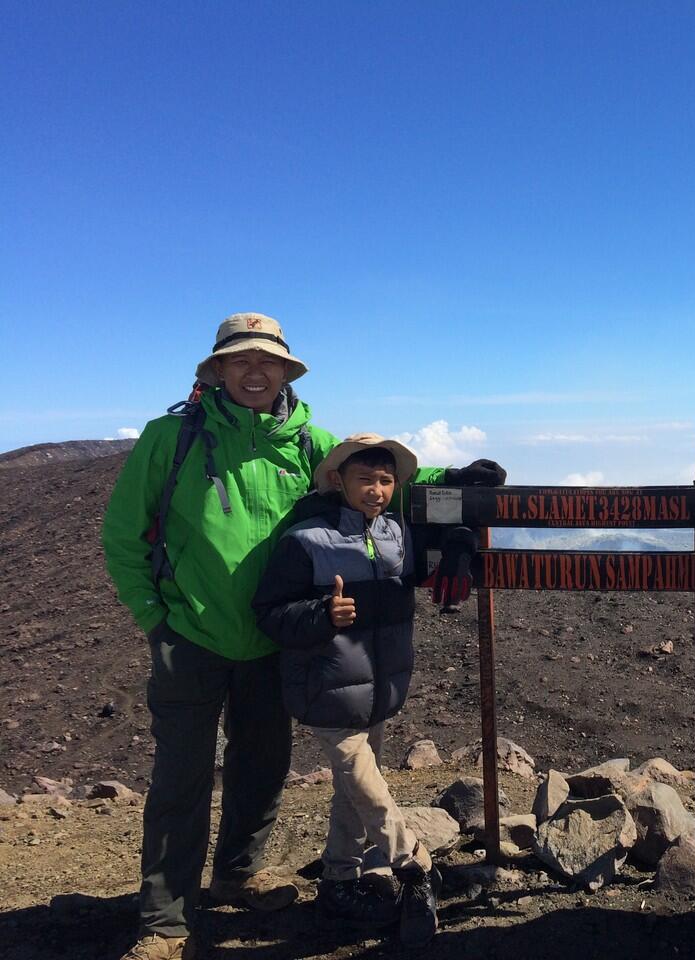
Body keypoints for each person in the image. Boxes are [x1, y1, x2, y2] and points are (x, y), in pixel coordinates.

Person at [102, 313, 504, 960]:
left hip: (278, 640)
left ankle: (238, 872)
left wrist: (452, 480)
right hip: (191, 635)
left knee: (263, 766)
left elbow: (373, 485)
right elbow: (122, 534)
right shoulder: (171, 438)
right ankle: (165, 922)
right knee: (181, 779)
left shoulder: (306, 441)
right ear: (218, 370)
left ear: (287, 372)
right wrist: (155, 618)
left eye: (269, 363)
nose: (256, 372)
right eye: (241, 361)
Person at [253, 434, 468, 946]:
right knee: (364, 782)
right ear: (338, 481)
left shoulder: (395, 532)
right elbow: (269, 612)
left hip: (380, 685)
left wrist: (457, 547)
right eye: (365, 479)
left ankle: (339, 881)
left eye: (386, 480)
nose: (377, 490)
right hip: (327, 684)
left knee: (353, 789)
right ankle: (413, 863)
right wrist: (322, 614)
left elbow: (413, 576)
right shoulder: (305, 539)